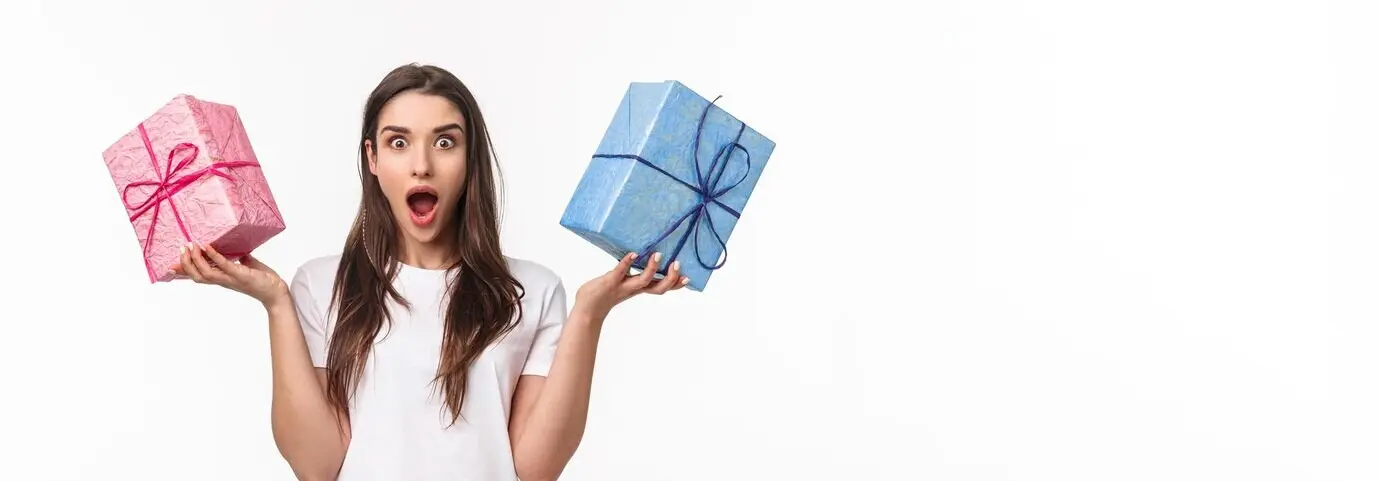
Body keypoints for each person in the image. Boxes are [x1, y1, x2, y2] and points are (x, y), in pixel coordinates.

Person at [171, 63, 688, 481]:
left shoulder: (533, 290)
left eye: (445, 142)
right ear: (372, 158)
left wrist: (590, 314)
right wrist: (276, 303)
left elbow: (534, 469)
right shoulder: (319, 285)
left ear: (469, 160)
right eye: (398, 142)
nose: (422, 165)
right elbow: (316, 465)